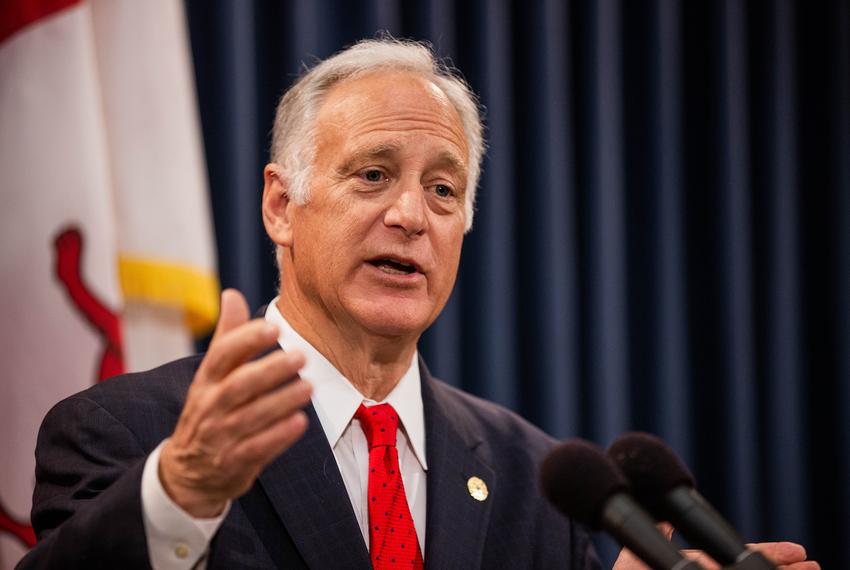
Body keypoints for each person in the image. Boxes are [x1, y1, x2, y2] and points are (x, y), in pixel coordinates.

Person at [18, 39, 816, 570]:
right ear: (279, 205)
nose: (411, 215)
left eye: (444, 189)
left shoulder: (539, 477)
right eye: (372, 175)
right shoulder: (129, 433)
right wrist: (184, 490)